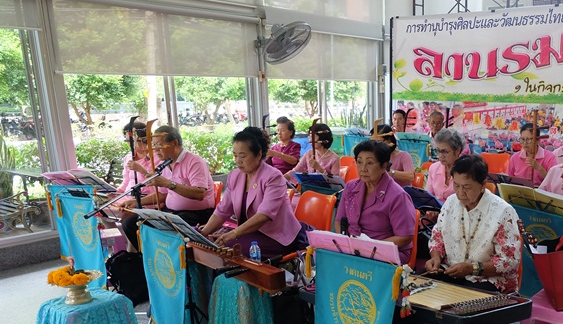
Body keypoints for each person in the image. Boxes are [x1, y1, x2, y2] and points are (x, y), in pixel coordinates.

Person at [199, 127, 308, 256]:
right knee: (208, 243)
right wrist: (203, 233)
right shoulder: (235, 175)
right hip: (246, 233)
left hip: (275, 237)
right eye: (235, 155)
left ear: (258, 154)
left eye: (243, 156)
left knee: (228, 249)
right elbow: (223, 210)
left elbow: (264, 215)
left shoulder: (273, 177)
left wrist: (234, 233)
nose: (238, 161)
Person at [425, 154, 521, 293]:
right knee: (416, 290)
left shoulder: (503, 211)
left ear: (483, 185)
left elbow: (509, 261)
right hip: (451, 271)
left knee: (463, 301)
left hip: (487, 279)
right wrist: (435, 258)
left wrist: (472, 268)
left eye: (467, 187)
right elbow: (438, 236)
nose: (460, 193)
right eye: (456, 185)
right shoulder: (451, 202)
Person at [120, 125, 215, 251]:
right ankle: (151, 257)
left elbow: (199, 193)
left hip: (195, 214)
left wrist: (168, 184)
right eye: (154, 145)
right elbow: (163, 194)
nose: (156, 150)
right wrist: (137, 202)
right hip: (171, 212)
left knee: (157, 229)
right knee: (131, 224)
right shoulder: (165, 164)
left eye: (159, 145)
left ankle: (165, 257)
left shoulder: (194, 161)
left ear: (174, 143)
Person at [335, 140, 416, 265]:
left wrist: (368, 248)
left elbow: (404, 237)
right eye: (359, 162)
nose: (363, 169)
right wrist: (346, 246)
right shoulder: (351, 187)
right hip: (354, 249)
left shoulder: (398, 195)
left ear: (384, 166)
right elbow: (339, 222)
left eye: (370, 163)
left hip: (386, 252)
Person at [425, 128, 463, 203]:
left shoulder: (466, 171)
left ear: (457, 151)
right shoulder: (434, 168)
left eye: (444, 151)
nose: (440, 156)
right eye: (438, 151)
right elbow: (427, 196)